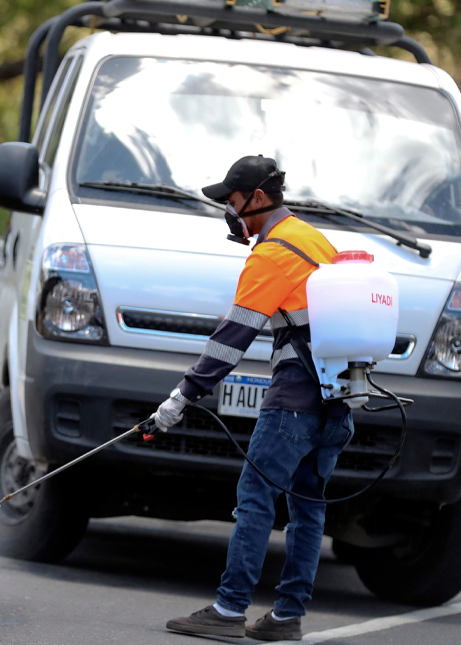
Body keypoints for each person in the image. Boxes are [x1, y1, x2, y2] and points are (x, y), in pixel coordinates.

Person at [155, 156, 350, 642]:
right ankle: (287, 616)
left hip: (294, 402)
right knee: (308, 507)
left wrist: (183, 395)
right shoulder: (313, 239)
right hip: (339, 400)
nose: (229, 211)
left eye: (233, 201)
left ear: (258, 199)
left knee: (255, 500)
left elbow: (232, 338)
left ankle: (229, 608)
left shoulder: (270, 254)